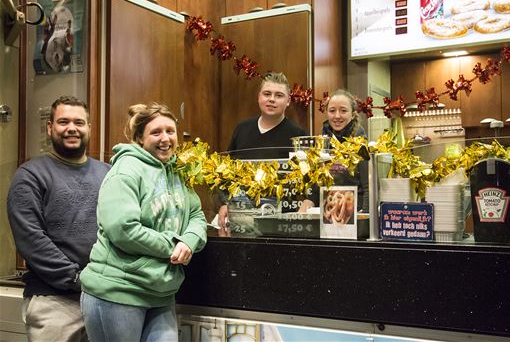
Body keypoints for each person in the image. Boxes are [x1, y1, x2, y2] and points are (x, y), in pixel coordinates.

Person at [80, 102, 207, 342]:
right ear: (139, 138)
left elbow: (196, 215)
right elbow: (123, 229)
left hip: (161, 292)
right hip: (117, 292)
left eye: (170, 131)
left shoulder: (177, 171)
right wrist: (173, 245)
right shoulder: (126, 171)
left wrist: (189, 241)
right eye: (156, 132)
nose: (165, 138)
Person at [7, 95, 110, 342]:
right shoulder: (31, 175)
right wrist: (77, 278)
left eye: (79, 122)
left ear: (89, 128)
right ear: (50, 127)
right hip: (54, 302)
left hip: (106, 299)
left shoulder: (108, 173)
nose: (72, 128)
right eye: (63, 122)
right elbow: (31, 239)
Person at [217, 72, 306, 234]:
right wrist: (224, 203)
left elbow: (308, 183)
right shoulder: (242, 129)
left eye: (279, 95)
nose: (271, 99)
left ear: (288, 101)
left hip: (281, 224)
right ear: (259, 97)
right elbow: (226, 173)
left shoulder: (298, 136)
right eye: (267, 94)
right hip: (241, 218)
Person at [300, 89, 369, 213]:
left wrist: (365, 218)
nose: (337, 116)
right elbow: (318, 183)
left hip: (353, 215)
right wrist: (308, 201)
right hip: (328, 214)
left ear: (352, 114)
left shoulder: (361, 145)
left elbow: (369, 188)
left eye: (343, 111)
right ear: (327, 113)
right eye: (332, 111)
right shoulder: (322, 144)